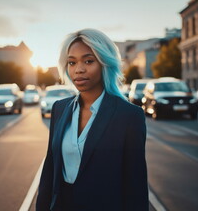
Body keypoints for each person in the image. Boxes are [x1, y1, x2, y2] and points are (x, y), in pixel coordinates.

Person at [36, 29, 148, 211]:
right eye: (72, 62)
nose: (79, 69)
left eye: (88, 61)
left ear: (105, 63)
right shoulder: (60, 108)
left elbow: (135, 186)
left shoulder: (129, 116)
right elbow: (50, 169)